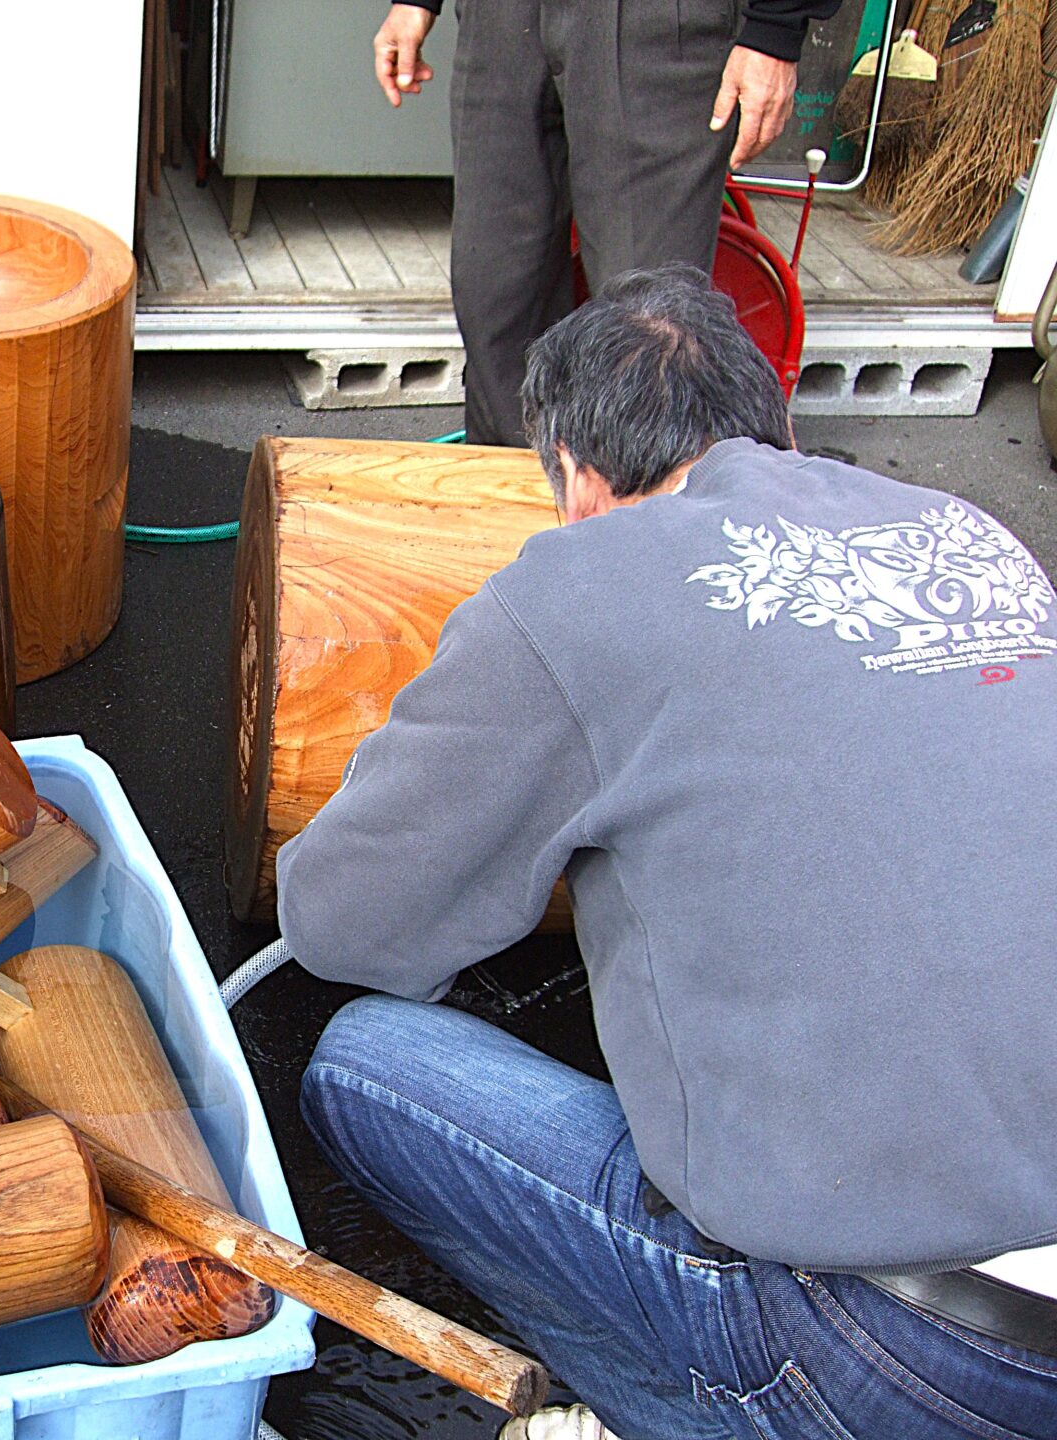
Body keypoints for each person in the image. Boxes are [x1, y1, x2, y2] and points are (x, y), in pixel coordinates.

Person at [278, 266, 1057, 1440]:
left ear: (579, 481)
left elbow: (342, 923)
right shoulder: (973, 535)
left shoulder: (577, 585)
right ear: (779, 429)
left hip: (895, 1352)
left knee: (363, 1064)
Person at [371, 0, 839, 448]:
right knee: (496, 296)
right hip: (501, 18)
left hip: (652, 24)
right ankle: (515, 505)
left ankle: (639, 515)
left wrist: (775, 30)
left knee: (651, 326)